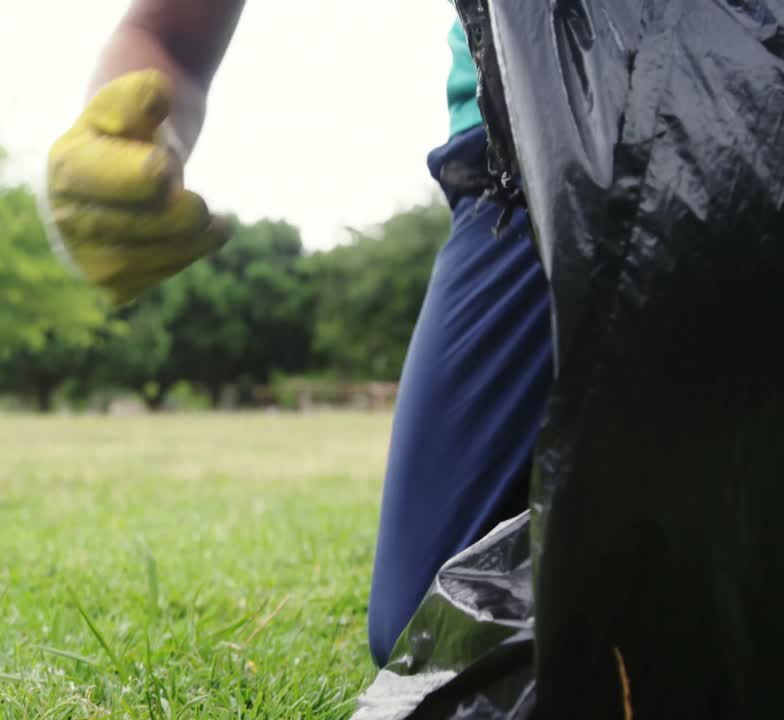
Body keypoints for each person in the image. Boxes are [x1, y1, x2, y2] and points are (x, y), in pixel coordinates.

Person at [42, 1, 554, 669]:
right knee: (440, 634)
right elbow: (166, 35)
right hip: (520, 158)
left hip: (735, 96)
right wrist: (116, 147)